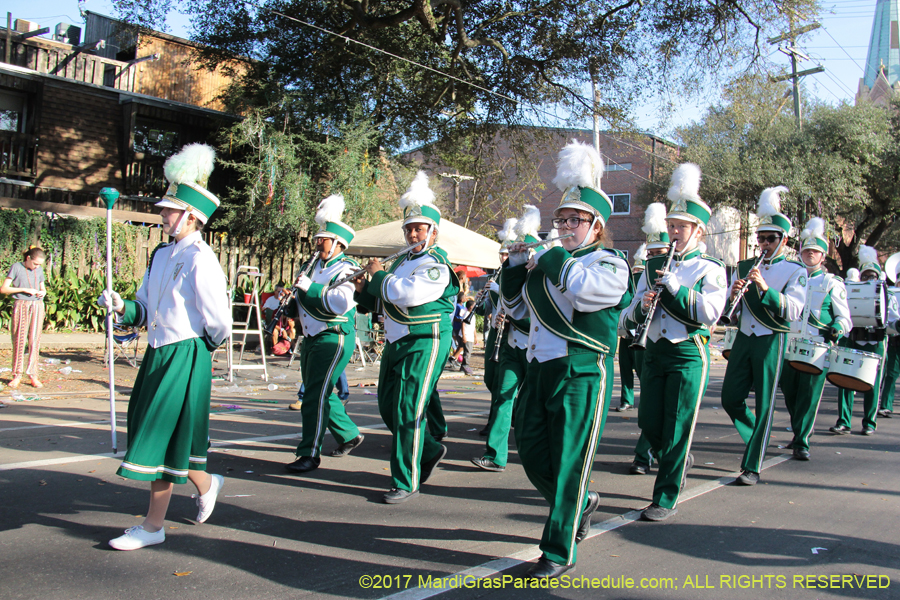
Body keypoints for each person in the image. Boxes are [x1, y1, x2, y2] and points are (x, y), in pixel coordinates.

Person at [501, 141, 632, 578]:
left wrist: (550, 255)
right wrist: (516, 268)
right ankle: (582, 500)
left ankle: (558, 550)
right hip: (540, 369)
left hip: (580, 371)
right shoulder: (548, 263)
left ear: (595, 227)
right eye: (561, 219)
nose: (564, 226)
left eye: (574, 220)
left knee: (571, 460)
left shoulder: (610, 262)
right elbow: (517, 310)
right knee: (532, 449)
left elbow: (588, 292)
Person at [98, 143, 232, 550]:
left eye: (169, 210)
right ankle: (207, 482)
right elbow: (145, 306)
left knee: (157, 440)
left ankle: (153, 527)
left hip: (185, 355)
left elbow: (219, 321)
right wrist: (122, 306)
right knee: (164, 436)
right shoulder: (162, 253)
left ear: (191, 216)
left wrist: (197, 352)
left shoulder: (201, 258)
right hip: (159, 353)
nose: (162, 214)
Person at [626, 163, 727, 521]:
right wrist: (642, 306)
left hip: (687, 353)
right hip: (653, 351)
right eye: (670, 226)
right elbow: (627, 317)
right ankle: (677, 457)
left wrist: (675, 289)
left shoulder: (710, 268)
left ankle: (664, 497)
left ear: (697, 231)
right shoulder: (652, 266)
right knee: (650, 422)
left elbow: (711, 312)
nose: (673, 232)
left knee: (679, 423)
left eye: (680, 227)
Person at [354, 171, 459, 504]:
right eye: (409, 229)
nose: (413, 233)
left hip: (425, 340)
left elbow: (409, 294)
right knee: (388, 406)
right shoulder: (400, 261)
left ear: (433, 232)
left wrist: (378, 276)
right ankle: (428, 449)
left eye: (419, 228)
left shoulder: (436, 263)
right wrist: (362, 288)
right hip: (398, 341)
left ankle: (405, 479)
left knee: (408, 409)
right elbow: (382, 299)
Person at [721, 186, 806, 486]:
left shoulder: (796, 271)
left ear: (783, 240)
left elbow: (794, 310)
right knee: (730, 397)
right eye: (761, 238)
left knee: (766, 402)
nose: (764, 243)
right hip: (744, 337)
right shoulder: (744, 266)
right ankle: (757, 434)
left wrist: (765, 290)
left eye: (771, 239)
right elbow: (730, 311)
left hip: (772, 338)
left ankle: (753, 465)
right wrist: (733, 297)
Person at [284, 194, 365, 473]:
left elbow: (341, 302)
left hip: (334, 336)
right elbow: (305, 300)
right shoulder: (314, 266)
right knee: (322, 390)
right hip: (311, 336)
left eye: (323, 240)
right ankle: (349, 434)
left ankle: (309, 453)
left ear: (338, 244)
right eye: (318, 239)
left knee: (313, 395)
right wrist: (292, 302)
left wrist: (310, 289)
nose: (318, 244)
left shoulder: (348, 268)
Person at [779, 218, 851, 459]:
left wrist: (837, 329)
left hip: (815, 348)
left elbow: (844, 318)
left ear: (823, 257)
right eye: (807, 251)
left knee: (809, 396)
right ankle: (798, 431)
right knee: (790, 392)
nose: (810, 255)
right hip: (789, 345)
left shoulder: (832, 283)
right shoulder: (790, 276)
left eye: (815, 252)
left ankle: (802, 442)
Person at [471, 207, 536, 472]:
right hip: (510, 344)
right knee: (502, 395)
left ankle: (533, 451)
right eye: (508, 253)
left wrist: (513, 320)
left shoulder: (541, 276)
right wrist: (500, 320)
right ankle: (495, 454)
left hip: (536, 347)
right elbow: (505, 307)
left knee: (532, 402)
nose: (510, 257)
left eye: (517, 253)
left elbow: (538, 318)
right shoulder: (506, 275)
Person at [829, 246, 899, 436]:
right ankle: (844, 421)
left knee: (873, 383)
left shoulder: (887, 295)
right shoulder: (851, 290)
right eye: (866, 276)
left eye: (873, 276)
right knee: (844, 380)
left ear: (879, 277)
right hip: (853, 339)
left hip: (876, 341)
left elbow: (891, 321)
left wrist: (895, 325)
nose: (869, 279)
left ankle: (869, 422)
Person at [2, 247, 48, 388]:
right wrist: (23, 289)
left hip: (37, 305)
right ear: (28, 258)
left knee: (34, 339)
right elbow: (4, 289)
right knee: (19, 339)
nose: (37, 267)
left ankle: (33, 374)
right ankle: (17, 374)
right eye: (35, 264)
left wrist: (43, 292)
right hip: (22, 304)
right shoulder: (16, 267)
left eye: (39, 264)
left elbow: (42, 286)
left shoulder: (38, 270)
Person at [458, 299, 476, 375]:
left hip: (470, 336)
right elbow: (463, 324)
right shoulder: (467, 314)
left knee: (468, 351)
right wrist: (464, 336)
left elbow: (473, 326)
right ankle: (465, 365)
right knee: (467, 352)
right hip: (467, 335)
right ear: (471, 307)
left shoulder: (473, 314)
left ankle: (463, 366)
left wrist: (475, 336)